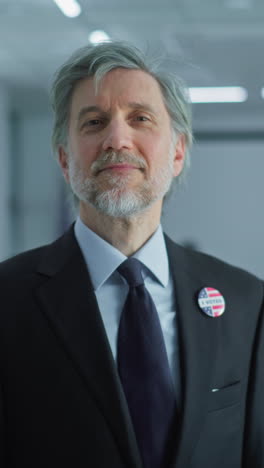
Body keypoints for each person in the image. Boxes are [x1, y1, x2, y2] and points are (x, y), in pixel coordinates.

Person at [0, 41, 263, 468]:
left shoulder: (246, 303)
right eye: (93, 122)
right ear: (65, 159)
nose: (117, 139)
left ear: (177, 152)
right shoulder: (7, 300)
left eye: (140, 118)